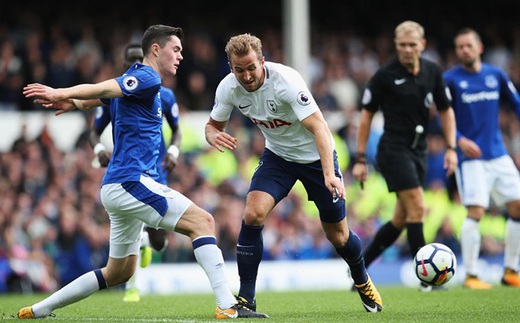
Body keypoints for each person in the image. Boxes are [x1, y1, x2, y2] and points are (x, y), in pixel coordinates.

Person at [19, 24, 268, 319]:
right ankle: (227, 304)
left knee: (118, 272)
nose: (180, 56)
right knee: (203, 221)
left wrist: (73, 103)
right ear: (155, 49)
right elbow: (104, 88)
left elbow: (101, 98)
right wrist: (61, 91)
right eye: (175, 50)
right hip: (130, 180)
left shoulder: (141, 83)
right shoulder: (147, 76)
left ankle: (38, 309)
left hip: (117, 185)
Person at [205, 33, 382, 313]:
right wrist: (212, 135)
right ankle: (246, 300)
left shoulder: (286, 82)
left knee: (338, 236)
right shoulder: (228, 88)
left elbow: (321, 128)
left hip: (315, 158)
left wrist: (329, 174)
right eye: (239, 70)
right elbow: (213, 125)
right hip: (278, 157)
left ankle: (361, 278)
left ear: (262, 61)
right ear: (231, 68)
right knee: (252, 213)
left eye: (252, 67)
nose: (247, 75)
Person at [351, 20, 458, 292]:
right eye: (402, 45)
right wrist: (361, 158)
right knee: (418, 207)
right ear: (396, 46)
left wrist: (451, 147)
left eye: (413, 44)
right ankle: (426, 278)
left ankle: (358, 272)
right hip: (393, 150)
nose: (408, 50)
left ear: (422, 45)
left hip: (419, 151)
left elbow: (446, 111)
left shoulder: (433, 72)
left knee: (402, 217)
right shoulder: (385, 76)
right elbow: (366, 118)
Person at [89, 43, 180, 302]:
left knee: (159, 241)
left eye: (138, 58)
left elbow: (178, 130)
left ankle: (148, 245)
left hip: (157, 169)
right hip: (128, 170)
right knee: (133, 226)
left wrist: (173, 151)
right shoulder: (115, 95)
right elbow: (94, 130)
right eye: (130, 60)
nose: (134, 63)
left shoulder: (165, 94)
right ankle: (132, 288)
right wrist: (98, 149)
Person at [443, 28, 520, 289]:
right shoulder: (450, 79)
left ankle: (511, 271)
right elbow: (441, 116)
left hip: (498, 153)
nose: (464, 50)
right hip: (471, 159)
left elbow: (517, 104)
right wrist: (459, 141)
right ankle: (471, 275)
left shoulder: (495, 74)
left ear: (479, 48)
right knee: (476, 211)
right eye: (459, 47)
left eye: (468, 45)